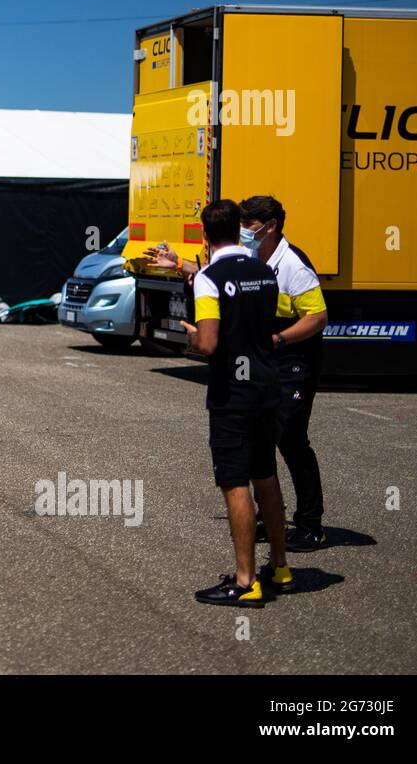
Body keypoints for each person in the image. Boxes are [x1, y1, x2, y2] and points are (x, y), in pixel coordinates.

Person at [180, 199, 291, 607]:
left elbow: (209, 343)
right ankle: (279, 566)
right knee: (266, 475)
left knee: (234, 482)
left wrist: (191, 334)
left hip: (234, 392)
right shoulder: (265, 270)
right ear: (239, 230)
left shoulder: (210, 278)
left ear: (206, 235)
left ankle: (245, 582)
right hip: (267, 384)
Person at [240, 195, 329, 551]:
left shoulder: (292, 263)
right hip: (266, 362)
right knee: (257, 437)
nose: (244, 232)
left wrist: (278, 339)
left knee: (290, 439)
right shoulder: (252, 257)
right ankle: (269, 516)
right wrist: (181, 266)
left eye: (249, 225)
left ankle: (311, 525)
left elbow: (318, 317)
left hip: (295, 362)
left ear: (270, 226)